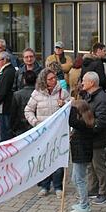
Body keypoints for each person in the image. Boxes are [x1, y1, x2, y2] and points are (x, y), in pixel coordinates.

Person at [26, 68, 70, 196]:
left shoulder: (62, 92)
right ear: (44, 80)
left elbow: (70, 107)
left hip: (58, 131)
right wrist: (35, 123)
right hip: (43, 132)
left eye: (54, 78)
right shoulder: (37, 93)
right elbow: (28, 110)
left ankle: (58, 186)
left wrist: (64, 103)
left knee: (57, 158)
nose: (53, 80)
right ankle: (45, 186)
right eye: (50, 79)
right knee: (44, 158)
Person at [80, 71, 106, 205]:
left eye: (84, 80)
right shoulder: (90, 95)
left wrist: (88, 130)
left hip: (96, 138)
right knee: (91, 166)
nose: (82, 83)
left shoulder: (101, 98)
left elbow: (102, 121)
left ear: (92, 83)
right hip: (90, 137)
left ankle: (104, 193)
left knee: (99, 166)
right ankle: (93, 189)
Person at [68, 99, 95, 212]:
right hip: (80, 155)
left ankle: (84, 205)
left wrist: (72, 107)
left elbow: (71, 121)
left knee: (79, 180)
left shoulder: (83, 124)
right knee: (75, 179)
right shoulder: (85, 123)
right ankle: (83, 202)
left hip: (81, 155)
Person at [0, 51, 17, 141]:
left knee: (5, 133)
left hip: (5, 107)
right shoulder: (6, 71)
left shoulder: (8, 72)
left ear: (5, 60)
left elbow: (2, 91)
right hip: (3, 107)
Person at [10, 70, 37, 137]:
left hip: (20, 127)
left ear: (24, 80)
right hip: (36, 126)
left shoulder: (17, 95)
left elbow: (13, 114)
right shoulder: (39, 93)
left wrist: (12, 128)